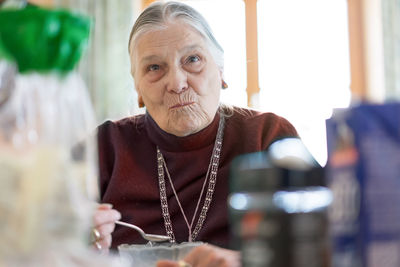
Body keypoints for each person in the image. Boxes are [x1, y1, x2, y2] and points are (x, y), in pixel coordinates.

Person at [93, 1, 298, 266]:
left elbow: (316, 247)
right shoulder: (105, 147)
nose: (177, 83)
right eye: (154, 68)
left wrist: (246, 262)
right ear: (138, 90)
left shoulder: (269, 137)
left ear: (221, 71)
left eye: (193, 60)